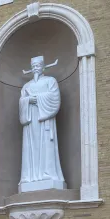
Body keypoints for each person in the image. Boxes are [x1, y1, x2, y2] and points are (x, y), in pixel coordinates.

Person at [19, 55, 65, 192]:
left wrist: (37, 98)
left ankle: (48, 174)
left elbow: (54, 97)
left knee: (46, 145)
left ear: (43, 67)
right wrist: (27, 101)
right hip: (30, 120)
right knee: (30, 147)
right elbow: (22, 101)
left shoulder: (50, 81)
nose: (35, 69)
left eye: (38, 66)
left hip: (44, 120)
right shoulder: (26, 86)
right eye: (33, 67)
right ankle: (29, 176)